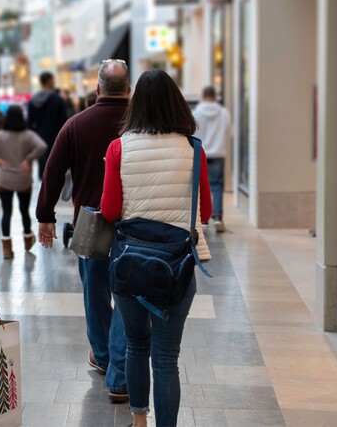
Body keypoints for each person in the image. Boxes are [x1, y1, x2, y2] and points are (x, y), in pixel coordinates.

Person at [100, 69, 211, 427]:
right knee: (166, 357)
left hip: (131, 263)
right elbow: (205, 211)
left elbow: (110, 210)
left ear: (136, 105)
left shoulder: (119, 147)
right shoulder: (194, 149)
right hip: (177, 268)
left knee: (136, 346)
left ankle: (138, 421)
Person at [36, 59, 131, 403]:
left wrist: (45, 215)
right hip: (135, 223)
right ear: (129, 89)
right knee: (129, 293)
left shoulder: (76, 124)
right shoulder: (141, 124)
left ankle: (104, 357)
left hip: (91, 223)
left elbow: (53, 170)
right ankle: (121, 365)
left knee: (95, 290)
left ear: (97, 89)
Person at [0, 106, 46, 259]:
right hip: (23, 179)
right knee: (24, 211)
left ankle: (7, 249)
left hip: (4, 179)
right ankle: (28, 240)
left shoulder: (0, 135)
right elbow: (42, 146)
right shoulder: (28, 135)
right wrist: (29, 159)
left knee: (6, 213)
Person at [193, 86, 231, 233]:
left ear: (203, 96)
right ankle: (218, 217)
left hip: (201, 153)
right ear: (215, 97)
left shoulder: (195, 113)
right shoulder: (224, 113)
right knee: (217, 186)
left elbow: (191, 132)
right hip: (218, 153)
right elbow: (229, 132)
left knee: (201, 186)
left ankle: (203, 219)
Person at [28, 72, 69, 179]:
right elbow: (64, 122)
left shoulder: (33, 101)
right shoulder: (57, 100)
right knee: (55, 168)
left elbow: (29, 123)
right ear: (49, 81)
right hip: (56, 138)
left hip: (39, 138)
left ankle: (44, 190)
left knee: (43, 168)